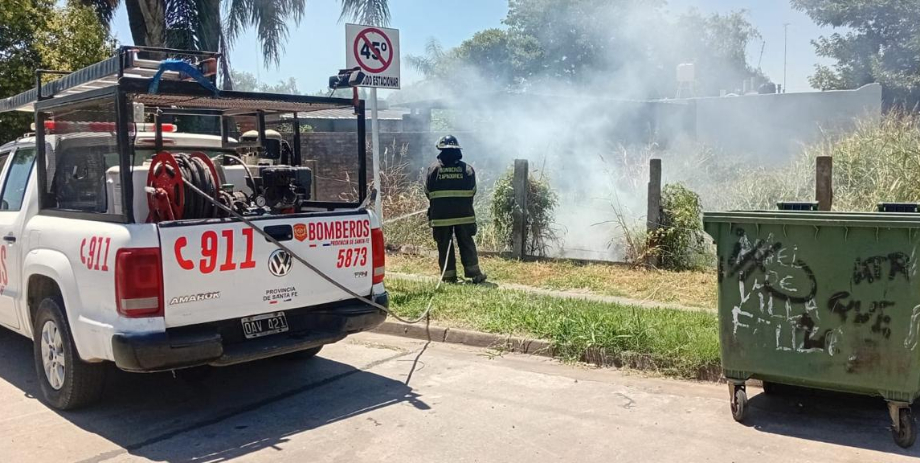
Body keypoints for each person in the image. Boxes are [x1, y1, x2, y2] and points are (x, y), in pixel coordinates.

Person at [425, 135, 487, 284]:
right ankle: (474, 274)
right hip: (464, 216)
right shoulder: (468, 169)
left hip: (441, 216)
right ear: (458, 151)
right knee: (466, 242)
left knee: (444, 244)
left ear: (441, 151)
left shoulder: (433, 169)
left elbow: (428, 191)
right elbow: (473, 190)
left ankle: (448, 276)